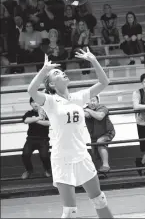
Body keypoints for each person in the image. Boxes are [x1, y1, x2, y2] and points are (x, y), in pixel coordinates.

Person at [28, 47, 113, 218]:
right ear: (52, 84)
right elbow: (31, 91)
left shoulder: (79, 97)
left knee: (99, 200)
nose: (63, 73)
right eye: (57, 73)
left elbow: (104, 82)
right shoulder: (50, 101)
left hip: (81, 155)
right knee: (70, 211)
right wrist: (44, 70)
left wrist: (93, 60)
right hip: (62, 159)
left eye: (61, 71)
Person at [22, 97, 51, 179]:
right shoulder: (29, 113)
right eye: (33, 102)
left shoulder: (47, 112)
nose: (35, 103)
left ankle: (48, 170)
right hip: (31, 139)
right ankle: (29, 170)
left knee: (44, 156)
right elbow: (26, 120)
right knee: (25, 154)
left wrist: (35, 120)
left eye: (37, 101)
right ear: (30, 104)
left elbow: (49, 123)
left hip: (44, 139)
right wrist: (38, 118)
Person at [84, 96, 115, 173]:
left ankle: (106, 165)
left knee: (100, 142)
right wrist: (86, 111)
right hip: (94, 134)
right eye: (90, 101)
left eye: (94, 101)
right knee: (95, 154)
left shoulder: (102, 107)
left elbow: (100, 116)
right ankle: (101, 172)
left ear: (98, 101)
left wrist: (88, 110)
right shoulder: (84, 109)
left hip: (107, 132)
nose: (92, 102)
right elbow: (84, 115)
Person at [132, 73, 145, 176]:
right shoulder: (137, 92)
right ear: (142, 83)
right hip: (142, 123)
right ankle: (144, 165)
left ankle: (141, 163)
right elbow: (136, 106)